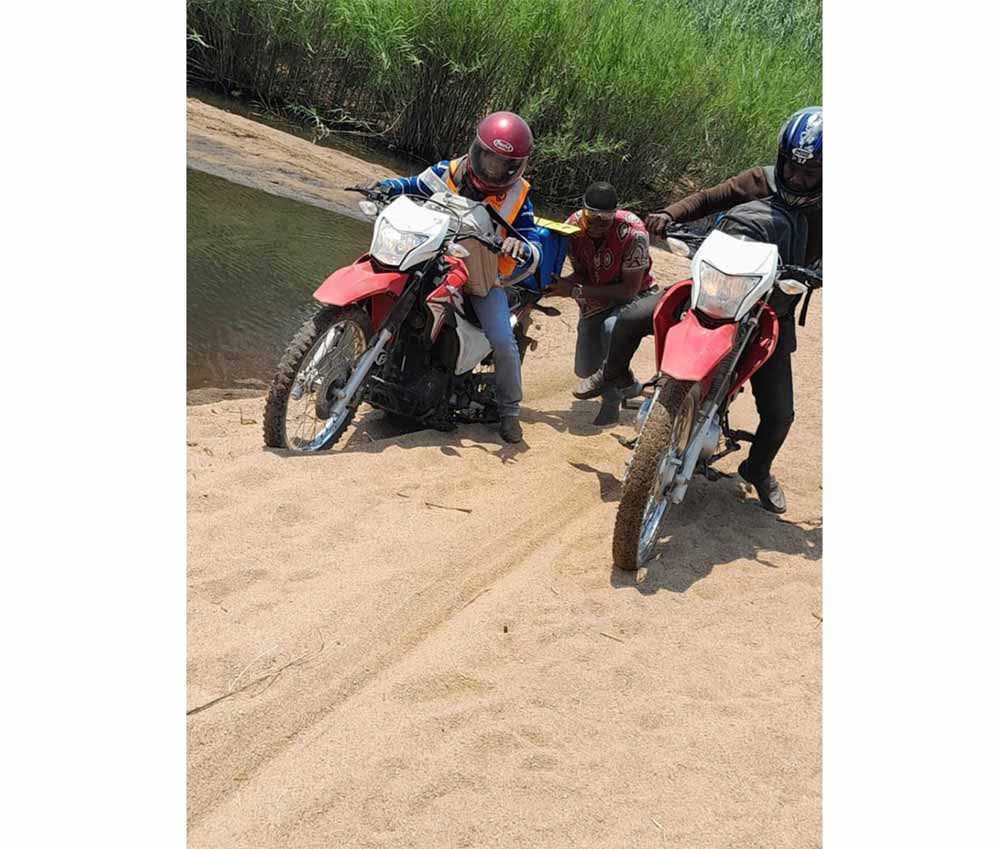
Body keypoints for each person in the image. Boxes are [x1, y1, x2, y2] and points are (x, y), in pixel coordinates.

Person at [576, 105, 823, 512]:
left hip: (770, 310)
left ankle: (757, 471)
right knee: (635, 317)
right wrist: (669, 214)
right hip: (715, 289)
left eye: (809, 173)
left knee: (780, 414)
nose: (796, 179)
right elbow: (711, 199)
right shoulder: (761, 181)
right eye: (791, 168)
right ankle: (614, 374)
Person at [372, 112, 542, 444]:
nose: (492, 168)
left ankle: (510, 412)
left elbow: (533, 242)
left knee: (503, 340)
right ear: (476, 149)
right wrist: (387, 186)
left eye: (501, 163)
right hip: (429, 260)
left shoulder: (519, 198)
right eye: (488, 158)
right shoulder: (446, 171)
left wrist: (517, 246)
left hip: (478, 278)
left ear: (516, 166)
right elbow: (412, 185)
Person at [548, 181, 657, 425]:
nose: (597, 224)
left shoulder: (633, 234)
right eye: (592, 217)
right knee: (585, 368)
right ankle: (629, 383)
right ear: (583, 210)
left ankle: (610, 406)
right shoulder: (573, 227)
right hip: (595, 294)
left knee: (611, 327)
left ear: (615, 214)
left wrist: (575, 291)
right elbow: (583, 271)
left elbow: (629, 289)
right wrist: (556, 286)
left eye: (605, 219)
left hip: (636, 295)